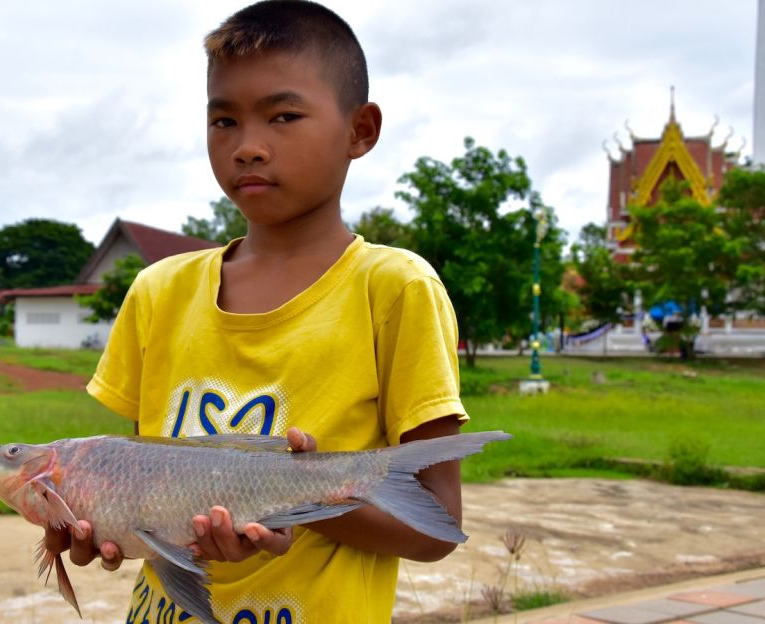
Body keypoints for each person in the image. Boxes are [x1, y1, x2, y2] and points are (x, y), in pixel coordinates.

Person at [46, 1, 469, 621]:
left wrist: (287, 495)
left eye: (284, 116)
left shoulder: (395, 288)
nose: (248, 147)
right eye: (223, 122)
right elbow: (147, 485)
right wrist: (105, 526)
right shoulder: (158, 292)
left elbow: (438, 528)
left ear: (361, 130)